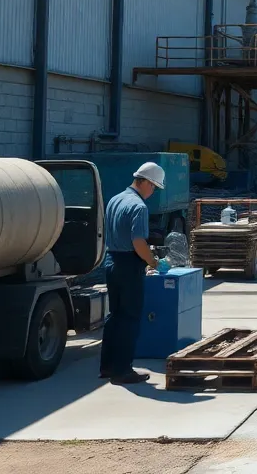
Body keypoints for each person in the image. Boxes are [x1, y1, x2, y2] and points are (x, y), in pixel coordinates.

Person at [99, 161, 165, 385]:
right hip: (129, 265)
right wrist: (152, 261)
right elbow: (138, 242)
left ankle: (107, 366)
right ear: (144, 182)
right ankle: (122, 370)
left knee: (114, 316)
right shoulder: (138, 207)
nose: (153, 191)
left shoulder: (115, 200)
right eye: (153, 186)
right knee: (129, 318)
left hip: (111, 261)